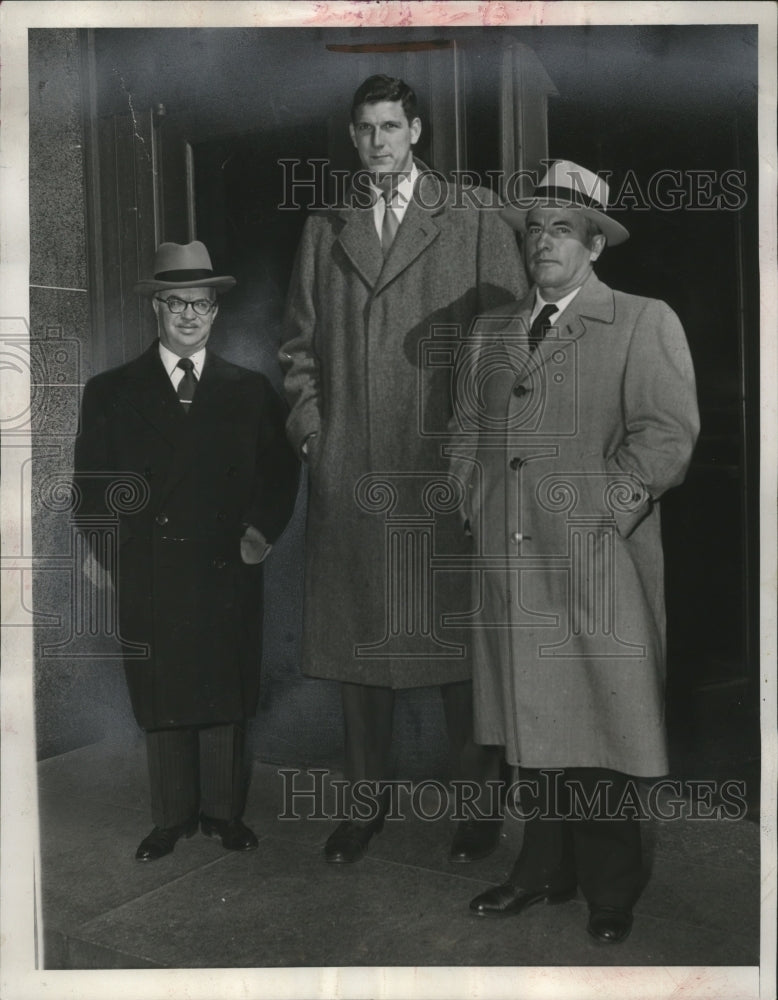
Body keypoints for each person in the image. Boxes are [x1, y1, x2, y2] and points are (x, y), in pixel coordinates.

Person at [448, 160, 699, 942]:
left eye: (561, 229)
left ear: (595, 243)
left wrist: (602, 513)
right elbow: (463, 432)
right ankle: (541, 868)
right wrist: (476, 503)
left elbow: (667, 437)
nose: (543, 243)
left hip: (594, 564)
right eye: (534, 231)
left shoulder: (640, 319)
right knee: (533, 727)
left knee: (600, 726)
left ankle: (610, 886)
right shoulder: (491, 331)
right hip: (510, 564)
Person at [280, 74, 527, 864]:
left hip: (441, 467)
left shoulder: (476, 216)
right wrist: (315, 432)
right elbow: (297, 349)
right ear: (353, 137)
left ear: (416, 132)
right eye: (364, 128)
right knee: (359, 651)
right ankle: (363, 805)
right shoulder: (327, 226)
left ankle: (477, 809)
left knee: (458, 650)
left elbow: (513, 343)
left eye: (391, 126)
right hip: (354, 467)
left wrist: (479, 453)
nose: (378, 140)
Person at [73, 240, 299, 862]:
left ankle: (225, 814)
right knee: (165, 689)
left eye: (201, 304)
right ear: (157, 309)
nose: (190, 315)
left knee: (225, 687)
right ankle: (171, 817)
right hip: (151, 563)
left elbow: (280, 473)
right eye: (177, 303)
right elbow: (91, 484)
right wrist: (104, 552)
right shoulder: (111, 390)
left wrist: (259, 533)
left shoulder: (249, 389)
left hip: (226, 563)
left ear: (216, 311)